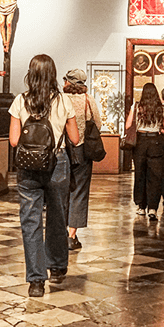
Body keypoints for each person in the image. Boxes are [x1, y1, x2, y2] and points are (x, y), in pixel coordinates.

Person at [9, 54, 79, 297]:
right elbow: (75, 138)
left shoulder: (20, 101)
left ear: (31, 74)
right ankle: (57, 266)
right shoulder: (63, 101)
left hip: (28, 166)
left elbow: (14, 140)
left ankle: (36, 281)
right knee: (58, 216)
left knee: (30, 222)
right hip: (57, 163)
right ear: (53, 74)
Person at [63, 68, 102, 251]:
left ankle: (60, 230)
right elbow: (98, 123)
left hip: (62, 149)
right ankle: (71, 236)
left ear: (69, 82)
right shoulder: (88, 99)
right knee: (79, 191)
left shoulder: (61, 99)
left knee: (61, 190)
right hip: (82, 150)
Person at [127, 83, 164, 221]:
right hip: (155, 143)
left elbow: (128, 125)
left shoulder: (136, 106)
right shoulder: (161, 109)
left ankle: (141, 206)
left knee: (140, 174)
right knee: (155, 176)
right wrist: (158, 129)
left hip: (140, 143)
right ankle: (153, 208)